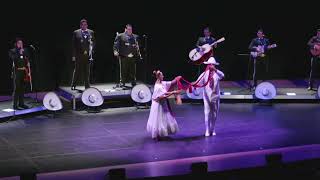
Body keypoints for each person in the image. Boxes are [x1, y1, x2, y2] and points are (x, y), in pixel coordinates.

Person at [193, 57, 224, 137]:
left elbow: (223, 75)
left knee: (214, 114)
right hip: (206, 97)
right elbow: (197, 82)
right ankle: (207, 130)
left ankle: (212, 129)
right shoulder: (204, 74)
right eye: (209, 64)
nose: (211, 66)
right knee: (207, 113)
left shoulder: (217, 74)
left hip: (215, 96)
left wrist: (215, 70)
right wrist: (193, 85)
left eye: (212, 65)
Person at [146, 70, 181, 140]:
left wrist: (177, 78)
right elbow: (161, 97)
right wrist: (173, 92)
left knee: (164, 118)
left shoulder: (162, 83)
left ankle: (161, 133)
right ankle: (157, 134)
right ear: (159, 77)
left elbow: (171, 82)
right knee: (159, 119)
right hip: (159, 105)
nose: (163, 76)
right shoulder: (158, 86)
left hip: (162, 103)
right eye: (162, 75)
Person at [113, 24, 141, 88]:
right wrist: (115, 51)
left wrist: (136, 53)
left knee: (133, 71)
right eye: (128, 29)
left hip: (132, 57)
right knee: (123, 71)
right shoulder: (120, 36)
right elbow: (116, 45)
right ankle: (122, 83)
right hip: (123, 56)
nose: (130, 31)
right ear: (125, 29)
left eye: (131, 29)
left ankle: (133, 83)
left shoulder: (135, 37)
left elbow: (137, 46)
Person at [71, 19, 95, 90]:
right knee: (77, 71)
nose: (84, 26)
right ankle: (73, 85)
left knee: (87, 71)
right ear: (80, 25)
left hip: (88, 55)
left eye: (85, 25)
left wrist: (91, 50)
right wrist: (73, 55)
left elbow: (94, 42)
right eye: (83, 25)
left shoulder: (91, 32)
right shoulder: (76, 32)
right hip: (79, 55)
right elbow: (73, 45)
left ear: (87, 25)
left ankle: (87, 86)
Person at [8, 38, 30, 110]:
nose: (21, 44)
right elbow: (14, 59)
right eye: (19, 43)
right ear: (16, 44)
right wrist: (20, 53)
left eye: (22, 43)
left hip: (24, 72)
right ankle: (15, 105)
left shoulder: (24, 51)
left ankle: (21, 104)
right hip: (17, 72)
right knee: (17, 89)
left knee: (22, 89)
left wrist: (28, 64)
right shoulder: (12, 51)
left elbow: (26, 59)